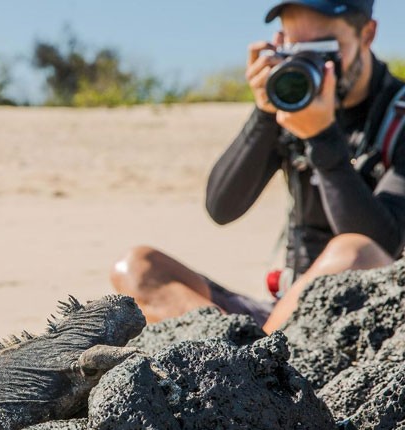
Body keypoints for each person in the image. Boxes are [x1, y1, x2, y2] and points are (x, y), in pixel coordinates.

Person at [111, 0, 405, 333]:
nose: (310, 63)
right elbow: (221, 208)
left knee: (352, 252)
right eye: (297, 48)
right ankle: (238, 357)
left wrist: (322, 138)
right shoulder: (291, 105)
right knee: (137, 268)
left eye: (324, 49)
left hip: (364, 317)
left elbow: (380, 248)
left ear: (367, 34)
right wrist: (265, 113)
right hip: (281, 316)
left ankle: (250, 362)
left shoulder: (399, 117)